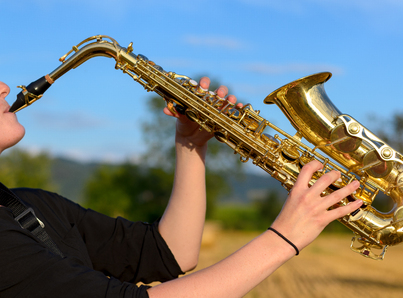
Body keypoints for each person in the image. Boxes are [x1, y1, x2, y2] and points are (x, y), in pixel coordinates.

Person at [0, 77, 363, 298]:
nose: (3, 87)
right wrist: (284, 238)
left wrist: (191, 145)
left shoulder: (28, 204)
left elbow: (167, 253)